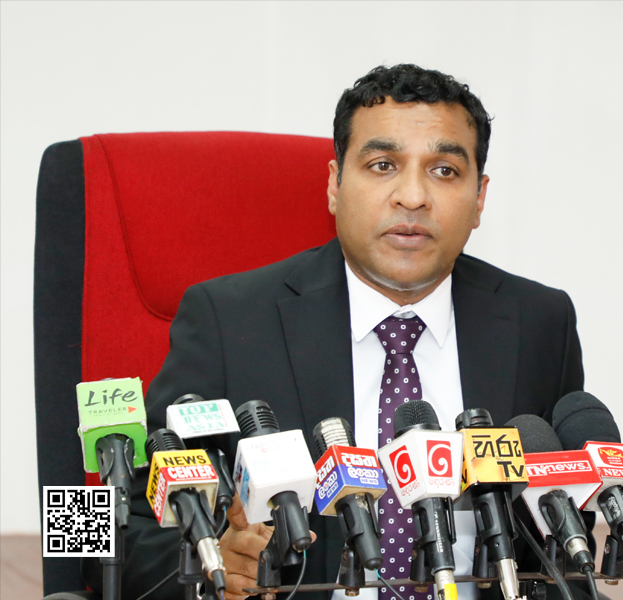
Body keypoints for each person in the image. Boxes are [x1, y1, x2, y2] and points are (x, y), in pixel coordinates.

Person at [119, 64, 585, 600]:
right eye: (383, 164)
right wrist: (210, 566)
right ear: (335, 185)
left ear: (479, 198)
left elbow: (558, 527)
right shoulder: (227, 319)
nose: (412, 197)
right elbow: (119, 530)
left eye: (445, 171)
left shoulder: (540, 321)